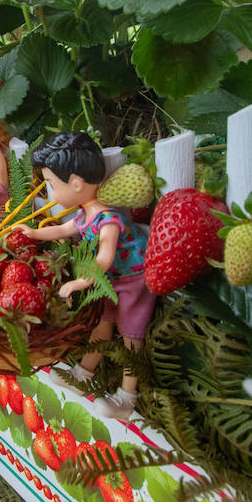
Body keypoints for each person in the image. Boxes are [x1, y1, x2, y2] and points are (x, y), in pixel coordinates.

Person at [20, 131, 150, 419]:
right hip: (110, 282)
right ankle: (84, 373)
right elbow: (64, 230)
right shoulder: (84, 215)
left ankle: (127, 397)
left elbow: (104, 257)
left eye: (51, 185)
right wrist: (33, 232)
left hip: (133, 281)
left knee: (131, 336)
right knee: (102, 326)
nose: (50, 193)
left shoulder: (109, 220)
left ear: (76, 183)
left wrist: (81, 281)